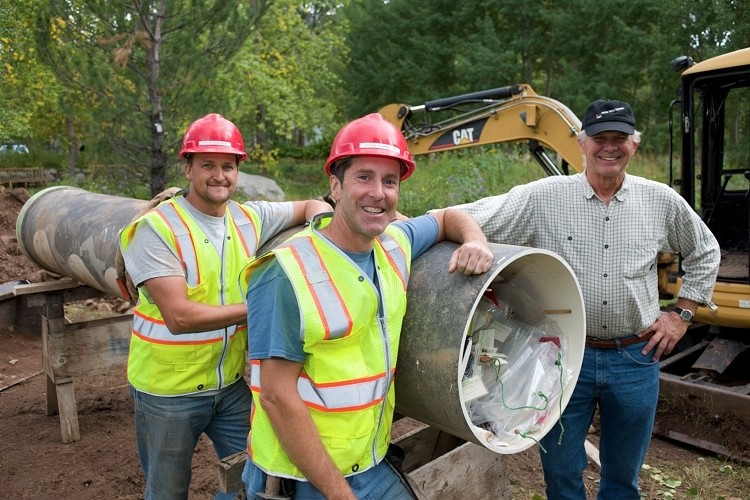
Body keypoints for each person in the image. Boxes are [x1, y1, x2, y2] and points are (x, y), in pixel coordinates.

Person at [455, 99, 720, 499]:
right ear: (581, 143)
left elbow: (705, 250)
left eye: (619, 138)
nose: (608, 147)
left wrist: (681, 315)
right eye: (599, 138)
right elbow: (470, 215)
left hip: (635, 356)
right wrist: (442, 232)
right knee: (560, 470)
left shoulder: (659, 201)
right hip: (563, 358)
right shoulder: (543, 198)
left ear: (634, 145)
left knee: (622, 475)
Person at [241, 113, 494, 499]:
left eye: (389, 181)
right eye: (364, 177)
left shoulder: (394, 243)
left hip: (369, 460)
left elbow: (445, 217)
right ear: (335, 186)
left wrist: (475, 240)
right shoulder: (286, 274)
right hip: (304, 476)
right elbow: (277, 396)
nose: (378, 192)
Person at [118, 113, 332, 500]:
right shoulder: (156, 229)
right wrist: (259, 309)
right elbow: (179, 317)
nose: (219, 176)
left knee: (253, 475)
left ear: (238, 171)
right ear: (187, 168)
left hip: (230, 385)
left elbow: (311, 205)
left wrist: (322, 230)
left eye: (228, 166)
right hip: (168, 393)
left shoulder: (249, 217)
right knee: (166, 491)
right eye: (208, 165)